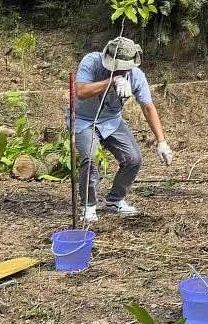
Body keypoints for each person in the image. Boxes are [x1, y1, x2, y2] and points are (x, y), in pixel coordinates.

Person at [68, 37, 173, 222]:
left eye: (122, 68)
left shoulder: (136, 76)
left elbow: (148, 108)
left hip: (111, 121)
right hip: (84, 120)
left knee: (133, 159)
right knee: (90, 158)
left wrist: (161, 141)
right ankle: (88, 205)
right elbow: (81, 92)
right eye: (115, 66)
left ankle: (114, 200)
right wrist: (112, 80)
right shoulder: (91, 61)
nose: (119, 70)